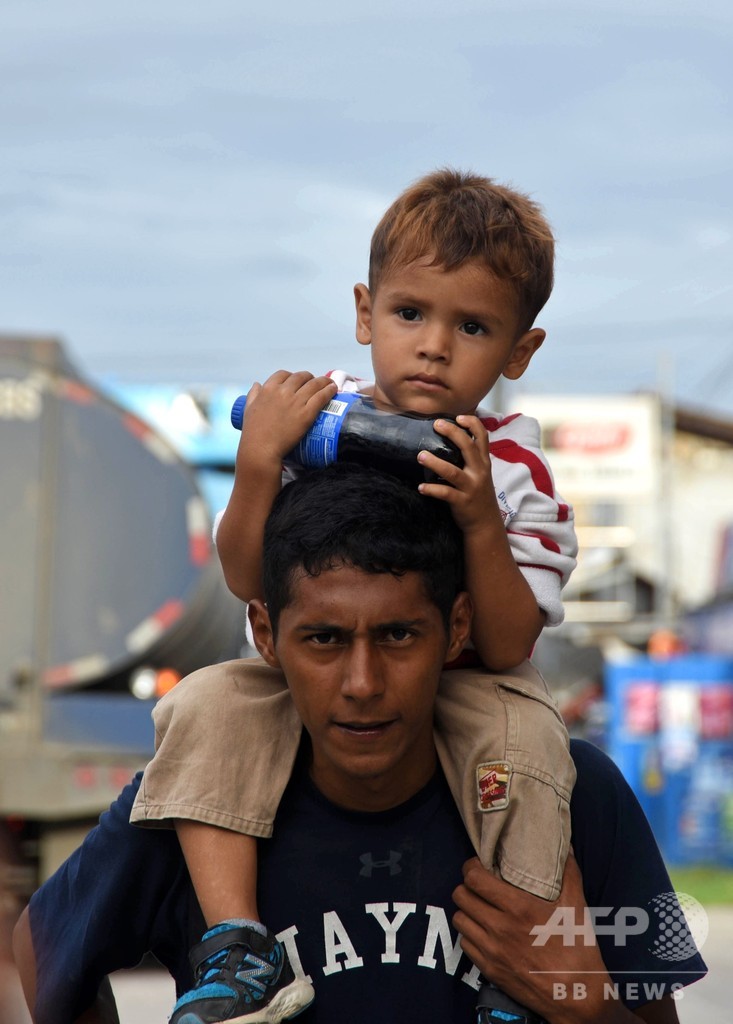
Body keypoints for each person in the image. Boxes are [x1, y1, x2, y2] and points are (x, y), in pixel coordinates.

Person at [13, 466, 706, 1024]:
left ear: (457, 628)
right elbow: (41, 952)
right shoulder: (195, 805)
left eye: (398, 636)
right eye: (324, 640)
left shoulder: (564, 788)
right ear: (264, 633)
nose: (362, 682)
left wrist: (586, 1006)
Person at [130, 169, 580, 1022]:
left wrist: (481, 521)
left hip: (468, 682)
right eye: (410, 314)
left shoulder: (515, 469)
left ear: (518, 353)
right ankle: (238, 946)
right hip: (316, 672)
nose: (434, 346)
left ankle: (513, 976)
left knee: (533, 747)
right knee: (204, 704)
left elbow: (511, 642)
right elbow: (242, 576)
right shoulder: (317, 419)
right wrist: (261, 463)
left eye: (473, 326)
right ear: (366, 313)